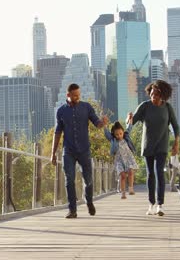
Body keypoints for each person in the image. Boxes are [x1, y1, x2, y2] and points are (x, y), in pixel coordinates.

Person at [51, 83, 108, 219]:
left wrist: (102, 122)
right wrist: (52, 153)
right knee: (69, 179)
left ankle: (89, 201)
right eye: (75, 95)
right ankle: (72, 210)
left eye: (79, 95)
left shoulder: (86, 107)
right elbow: (57, 132)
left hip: (84, 150)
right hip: (68, 151)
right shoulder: (61, 111)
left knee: (88, 180)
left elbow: (97, 123)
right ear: (68, 95)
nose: (77, 97)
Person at [128, 80, 180, 216]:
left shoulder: (167, 108)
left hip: (162, 145)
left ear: (162, 95)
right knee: (150, 174)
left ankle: (160, 205)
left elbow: (176, 126)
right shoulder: (144, 106)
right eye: (151, 94)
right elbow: (133, 121)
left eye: (156, 95)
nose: (153, 97)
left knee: (159, 173)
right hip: (148, 145)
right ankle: (151, 203)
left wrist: (176, 143)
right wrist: (130, 118)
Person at [104, 121, 138, 199]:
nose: (119, 136)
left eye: (120, 133)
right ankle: (123, 193)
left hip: (128, 158)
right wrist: (105, 125)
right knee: (122, 175)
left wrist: (130, 120)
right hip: (119, 160)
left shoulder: (126, 136)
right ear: (114, 135)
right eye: (117, 134)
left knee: (131, 171)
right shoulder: (113, 140)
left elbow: (129, 128)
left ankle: (131, 189)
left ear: (123, 132)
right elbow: (107, 134)